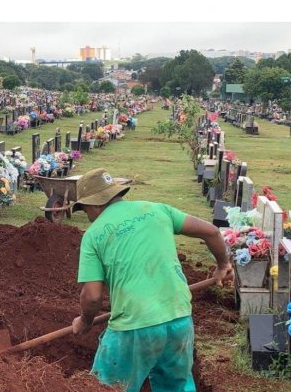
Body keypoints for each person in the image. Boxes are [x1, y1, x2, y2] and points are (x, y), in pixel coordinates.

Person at [69, 168, 233, 392]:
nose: (87, 215)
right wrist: (223, 265)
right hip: (179, 320)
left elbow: (92, 295)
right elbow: (212, 232)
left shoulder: (93, 235)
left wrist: (85, 321)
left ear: (95, 204)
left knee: (105, 388)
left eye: (85, 208)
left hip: (133, 327)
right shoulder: (157, 209)